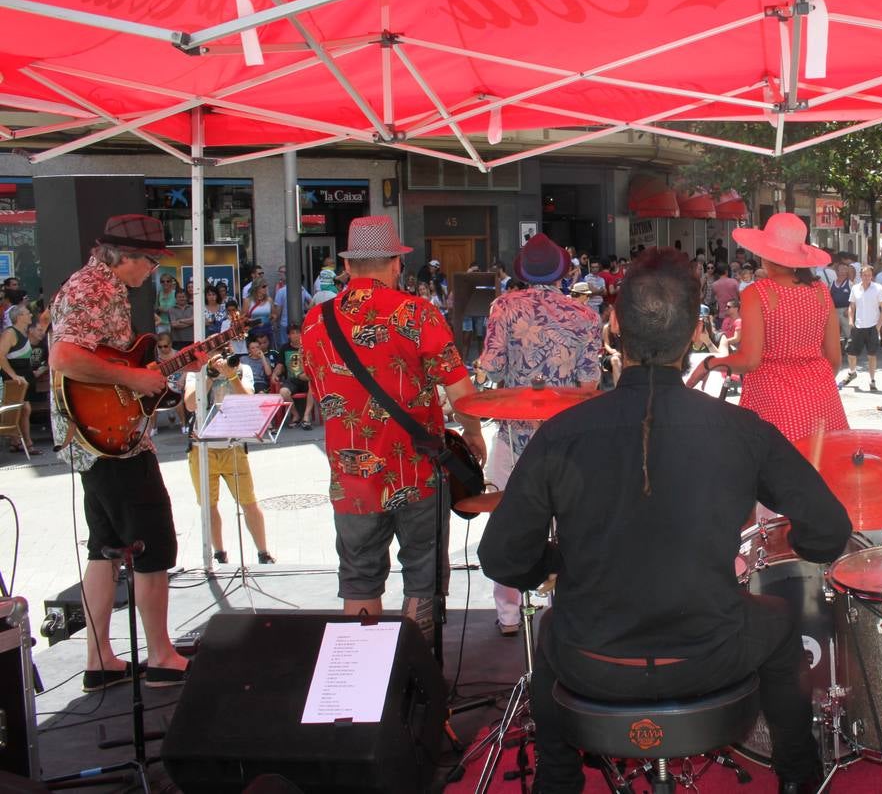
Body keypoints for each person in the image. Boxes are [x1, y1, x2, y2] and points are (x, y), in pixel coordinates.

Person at [479, 247, 851, 794]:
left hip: (593, 659)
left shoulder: (562, 433)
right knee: (777, 622)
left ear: (613, 326)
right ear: (695, 331)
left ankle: (558, 781)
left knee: (551, 629)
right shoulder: (742, 430)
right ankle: (798, 778)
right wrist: (793, 537)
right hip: (712, 653)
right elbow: (829, 531)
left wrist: (557, 562)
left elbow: (502, 557)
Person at [301, 216, 485, 640]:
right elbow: (460, 389)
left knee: (359, 578)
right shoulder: (416, 313)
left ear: (348, 267)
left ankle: (363, 686)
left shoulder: (315, 321)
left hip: (351, 478)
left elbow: (322, 388)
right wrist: (473, 434)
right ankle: (416, 683)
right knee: (422, 577)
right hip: (416, 471)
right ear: (396, 264)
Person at [48, 215, 197, 691]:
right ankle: (160, 656)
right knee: (152, 543)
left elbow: (111, 358)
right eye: (151, 262)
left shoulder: (92, 285)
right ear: (127, 257)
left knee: (105, 547)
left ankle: (99, 659)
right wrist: (135, 379)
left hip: (95, 438)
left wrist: (157, 370)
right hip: (114, 440)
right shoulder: (97, 289)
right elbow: (65, 358)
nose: (152, 272)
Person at [477, 233, 601, 635]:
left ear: (523, 272)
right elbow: (589, 383)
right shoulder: (586, 317)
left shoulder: (504, 307)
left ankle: (509, 613)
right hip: (568, 437)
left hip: (515, 433)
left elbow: (491, 367)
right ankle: (564, 605)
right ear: (563, 271)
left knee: (509, 520)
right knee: (571, 521)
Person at [692, 213, 846, 440]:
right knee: (822, 472)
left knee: (774, 472)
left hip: (774, 405)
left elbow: (749, 360)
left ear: (764, 252)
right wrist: (810, 385)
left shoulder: (758, 293)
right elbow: (834, 361)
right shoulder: (821, 292)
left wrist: (709, 363)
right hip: (824, 405)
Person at [185, 351, 276, 565]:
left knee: (248, 501)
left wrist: (232, 375)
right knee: (209, 505)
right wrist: (209, 376)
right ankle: (219, 553)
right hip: (202, 448)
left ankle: (263, 553)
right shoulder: (197, 373)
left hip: (233, 445)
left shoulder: (242, 369)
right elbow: (190, 404)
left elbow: (249, 401)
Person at [0, 304, 46, 453]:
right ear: (19, 317)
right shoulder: (10, 333)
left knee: (22, 410)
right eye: (27, 313)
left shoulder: (25, 332)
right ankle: (28, 443)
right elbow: (1, 356)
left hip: (23, 376)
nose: (31, 316)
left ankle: (17, 442)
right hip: (14, 378)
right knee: (24, 408)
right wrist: (13, 376)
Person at [842, 265, 882, 390]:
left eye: (868, 275)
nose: (866, 277)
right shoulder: (855, 288)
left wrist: (878, 325)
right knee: (850, 352)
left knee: (871, 354)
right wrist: (851, 320)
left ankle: (872, 379)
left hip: (872, 326)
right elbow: (852, 306)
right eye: (864, 275)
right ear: (860, 275)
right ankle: (852, 372)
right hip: (858, 325)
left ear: (872, 276)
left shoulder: (878, 288)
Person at [276, 324, 315, 429]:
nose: (296, 335)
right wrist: (275, 374)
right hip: (292, 379)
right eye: (293, 333)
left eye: (298, 332)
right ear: (288, 336)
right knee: (283, 392)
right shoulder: (285, 348)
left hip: (307, 379)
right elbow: (280, 365)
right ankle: (296, 415)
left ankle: (306, 416)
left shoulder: (308, 346)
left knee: (313, 386)